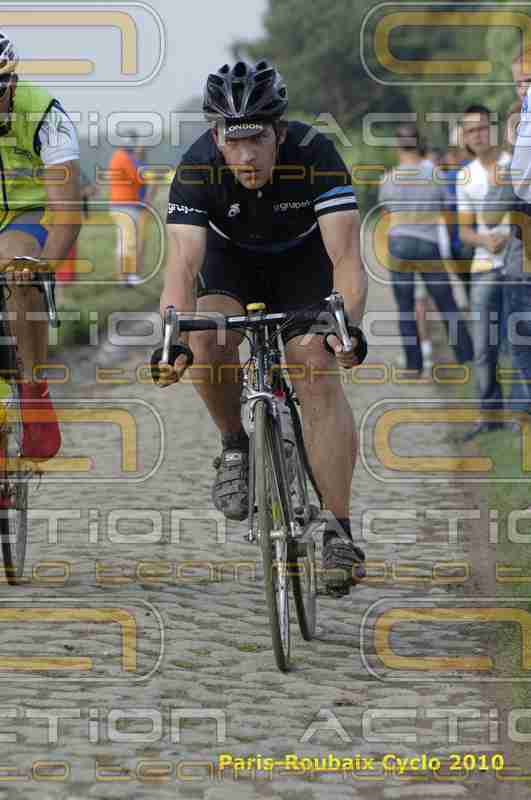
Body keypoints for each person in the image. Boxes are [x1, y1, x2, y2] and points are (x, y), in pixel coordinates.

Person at [157, 59, 368, 597]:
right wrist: (171, 337)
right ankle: (234, 446)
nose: (246, 155)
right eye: (235, 140)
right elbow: (182, 266)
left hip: (302, 271)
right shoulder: (196, 167)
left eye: (258, 139)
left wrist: (345, 324)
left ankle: (338, 530)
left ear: (279, 132)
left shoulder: (315, 154)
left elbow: (345, 255)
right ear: (216, 137)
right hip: (231, 270)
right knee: (206, 335)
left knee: (315, 367)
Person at [0, 32, 81, 460]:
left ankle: (34, 391)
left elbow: (68, 211)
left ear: (11, 82)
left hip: (23, 214)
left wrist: (42, 268)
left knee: (16, 265)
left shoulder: (45, 115)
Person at [378, 123, 473, 375]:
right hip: (429, 244)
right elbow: (447, 206)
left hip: (399, 244)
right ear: (419, 144)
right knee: (447, 303)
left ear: (398, 146)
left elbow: (387, 212)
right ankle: (466, 356)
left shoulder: (388, 179)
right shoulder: (435, 175)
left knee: (405, 307)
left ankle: (414, 364)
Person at [457, 104, 512, 440]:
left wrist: (508, 235)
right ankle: (488, 416)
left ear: (491, 129)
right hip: (484, 267)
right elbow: (464, 232)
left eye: (481, 128)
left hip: (520, 263)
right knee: (483, 345)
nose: (476, 135)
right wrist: (485, 239)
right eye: (470, 130)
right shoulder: (466, 176)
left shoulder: (514, 165)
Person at [108, 132, 151, 285]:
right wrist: (139, 158)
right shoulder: (122, 157)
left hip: (126, 205)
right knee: (127, 243)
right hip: (124, 205)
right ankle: (124, 277)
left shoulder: (123, 156)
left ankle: (126, 276)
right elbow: (138, 176)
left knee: (127, 242)